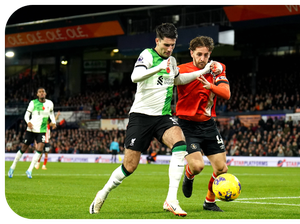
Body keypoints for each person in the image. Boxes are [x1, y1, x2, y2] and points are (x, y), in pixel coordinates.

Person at [89, 23, 212, 217]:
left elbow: (178, 80)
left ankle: (171, 200)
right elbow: (135, 77)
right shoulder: (147, 55)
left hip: (162, 116)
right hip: (141, 117)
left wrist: (201, 73)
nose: (169, 49)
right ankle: (102, 193)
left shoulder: (171, 60)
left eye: (172, 45)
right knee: (129, 166)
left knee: (180, 144)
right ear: (157, 41)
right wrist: (158, 67)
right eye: (166, 45)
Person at [176, 36, 231, 212]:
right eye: (199, 54)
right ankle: (189, 174)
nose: (202, 59)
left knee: (222, 168)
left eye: (206, 55)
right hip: (187, 125)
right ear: (191, 53)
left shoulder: (216, 69)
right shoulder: (180, 70)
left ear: (210, 55)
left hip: (208, 124)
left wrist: (211, 87)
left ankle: (209, 201)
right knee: (198, 166)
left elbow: (226, 94)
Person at [8, 87, 56, 179]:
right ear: (37, 94)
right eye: (40, 92)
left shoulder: (50, 103)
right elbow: (26, 115)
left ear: (45, 94)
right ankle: (12, 167)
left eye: (43, 92)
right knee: (24, 148)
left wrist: (53, 122)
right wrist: (28, 122)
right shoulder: (33, 103)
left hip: (42, 130)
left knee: (40, 148)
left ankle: (29, 170)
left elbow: (51, 113)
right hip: (32, 129)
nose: (42, 93)